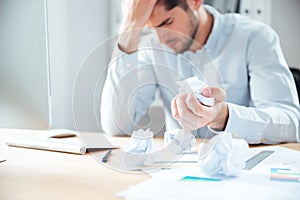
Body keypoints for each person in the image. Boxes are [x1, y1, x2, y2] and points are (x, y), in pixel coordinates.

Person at [101, 0, 300, 144]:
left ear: (195, 2)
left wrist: (223, 116)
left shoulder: (254, 37)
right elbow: (116, 127)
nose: (160, 39)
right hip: (177, 175)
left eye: (167, 23)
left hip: (244, 174)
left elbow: (291, 124)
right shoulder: (153, 48)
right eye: (149, 28)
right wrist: (129, 28)